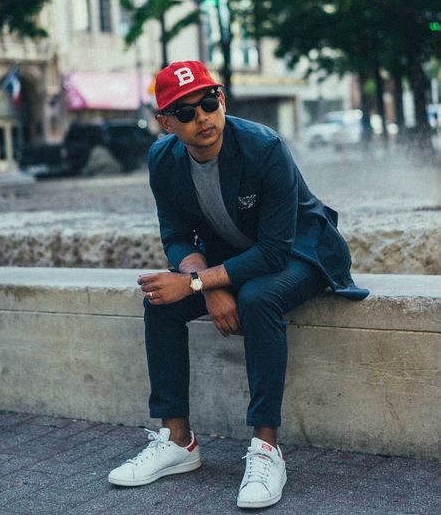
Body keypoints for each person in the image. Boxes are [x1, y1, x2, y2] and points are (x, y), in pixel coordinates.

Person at [108, 60, 369, 509]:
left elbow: (273, 252)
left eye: (209, 103)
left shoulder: (264, 147)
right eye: (185, 113)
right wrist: (204, 285)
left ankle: (267, 447)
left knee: (258, 296)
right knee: (159, 301)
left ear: (222, 100)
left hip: (301, 251)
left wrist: (195, 283)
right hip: (234, 257)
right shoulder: (162, 160)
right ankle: (178, 441)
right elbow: (175, 235)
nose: (202, 118)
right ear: (166, 123)